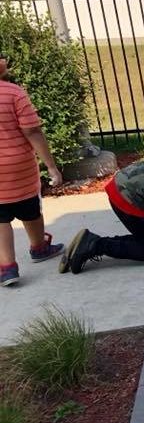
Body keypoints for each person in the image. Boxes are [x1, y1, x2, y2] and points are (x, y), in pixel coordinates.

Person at [0, 53, 64, 287]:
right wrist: (51, 167)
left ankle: (7, 268)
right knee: (30, 208)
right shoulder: (14, 93)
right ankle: (39, 247)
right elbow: (32, 132)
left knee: (1, 219)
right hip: (20, 167)